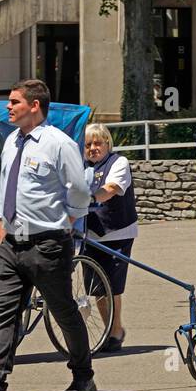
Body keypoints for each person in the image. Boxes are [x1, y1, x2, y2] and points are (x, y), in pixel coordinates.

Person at [0, 80, 95, 391]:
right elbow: (8, 186)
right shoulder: (11, 143)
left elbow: (79, 189)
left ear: (34, 106)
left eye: (14, 102)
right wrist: (3, 223)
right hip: (10, 245)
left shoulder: (58, 143)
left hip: (47, 244)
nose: (8, 107)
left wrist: (70, 218)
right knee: (4, 312)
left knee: (63, 311)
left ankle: (83, 376)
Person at [83, 123, 136, 352]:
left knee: (113, 287)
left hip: (118, 232)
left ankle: (114, 333)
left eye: (97, 143)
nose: (93, 148)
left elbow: (111, 188)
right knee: (96, 288)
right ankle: (111, 329)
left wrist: (88, 198)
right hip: (90, 234)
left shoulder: (119, 163)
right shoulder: (81, 166)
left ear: (107, 143)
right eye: (88, 144)